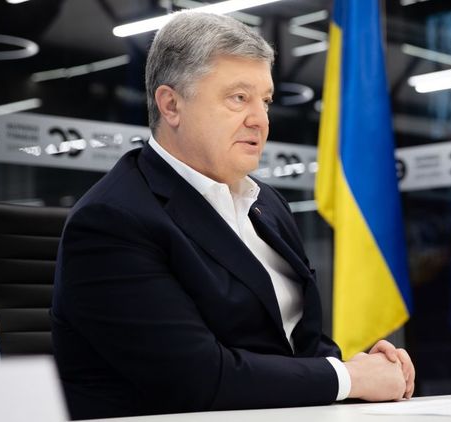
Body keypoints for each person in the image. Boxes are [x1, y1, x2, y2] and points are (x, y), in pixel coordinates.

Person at [51, 11, 414, 420]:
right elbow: (198, 379)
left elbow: (301, 342)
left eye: (266, 101)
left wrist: (364, 371)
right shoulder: (111, 220)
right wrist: (347, 378)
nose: (261, 120)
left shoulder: (268, 204)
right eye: (239, 98)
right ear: (171, 105)